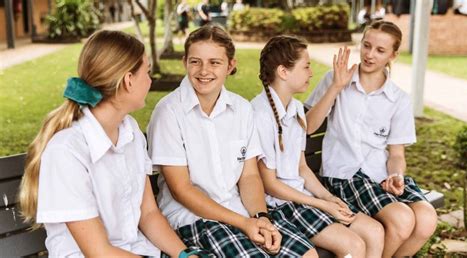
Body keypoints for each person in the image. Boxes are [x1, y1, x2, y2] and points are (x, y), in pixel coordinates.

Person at [18, 30, 199, 258]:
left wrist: (184, 255)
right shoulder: (66, 152)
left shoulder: (130, 130)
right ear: (128, 80)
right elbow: (98, 252)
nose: (150, 80)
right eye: (147, 72)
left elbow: (149, 214)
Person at [147, 24, 318, 257]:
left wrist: (261, 218)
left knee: (307, 254)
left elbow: (249, 176)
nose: (204, 70)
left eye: (215, 62)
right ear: (185, 62)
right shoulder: (169, 111)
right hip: (194, 219)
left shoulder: (242, 109)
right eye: (195, 61)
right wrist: (243, 223)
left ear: (230, 65)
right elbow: (182, 190)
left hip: (240, 212)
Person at [304, 20, 438, 258]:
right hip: (344, 174)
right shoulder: (336, 79)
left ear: (393, 56)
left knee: (427, 220)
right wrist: (336, 86)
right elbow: (308, 127)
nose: (370, 55)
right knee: (402, 219)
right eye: (366, 46)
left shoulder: (398, 99)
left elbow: (396, 155)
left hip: (380, 175)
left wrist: (396, 175)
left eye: (380, 50)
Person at [251, 35, 384, 258]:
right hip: (280, 207)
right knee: (354, 246)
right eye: (306, 66)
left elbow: (302, 167)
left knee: (374, 231)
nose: (311, 73)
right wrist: (320, 204)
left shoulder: (294, 107)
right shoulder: (260, 115)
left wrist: (327, 198)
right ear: (283, 72)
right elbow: (270, 184)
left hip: (302, 197)